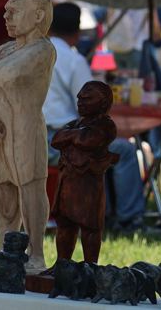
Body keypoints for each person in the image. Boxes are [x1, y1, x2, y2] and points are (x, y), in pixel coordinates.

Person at [44, 3, 148, 233]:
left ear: (48, 28)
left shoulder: (34, 55)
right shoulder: (73, 60)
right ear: (77, 32)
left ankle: (107, 211)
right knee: (126, 150)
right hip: (63, 143)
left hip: (33, 140)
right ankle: (130, 220)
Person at [0, 0, 56, 270]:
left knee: (30, 188)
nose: (6, 16)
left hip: (24, 130)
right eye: (6, 10)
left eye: (14, 11)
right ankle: (5, 249)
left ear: (38, 16)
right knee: (3, 189)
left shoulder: (43, 50)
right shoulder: (8, 48)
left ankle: (35, 253)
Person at [51, 81, 119, 264]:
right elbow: (56, 140)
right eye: (79, 98)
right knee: (65, 223)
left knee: (90, 227)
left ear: (104, 103)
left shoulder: (106, 125)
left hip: (88, 184)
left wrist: (73, 136)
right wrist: (77, 135)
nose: (80, 102)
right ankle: (62, 264)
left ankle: (91, 267)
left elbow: (87, 141)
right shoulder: (78, 123)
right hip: (67, 181)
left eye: (87, 99)